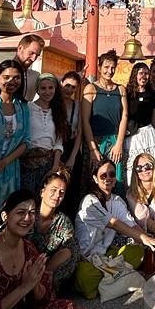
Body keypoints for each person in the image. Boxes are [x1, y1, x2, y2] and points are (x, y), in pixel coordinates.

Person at [73, 158, 155, 299]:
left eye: (111, 174)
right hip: (86, 259)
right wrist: (145, 238)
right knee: (85, 275)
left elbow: (132, 226)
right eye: (103, 175)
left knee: (137, 252)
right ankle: (116, 277)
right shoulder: (89, 201)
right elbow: (114, 223)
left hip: (106, 255)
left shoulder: (117, 201)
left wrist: (148, 239)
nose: (108, 178)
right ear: (95, 179)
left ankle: (110, 280)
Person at [0, 60, 30, 238]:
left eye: (16, 78)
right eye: (6, 77)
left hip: (10, 170)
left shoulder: (23, 107)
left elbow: (26, 141)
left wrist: (4, 163)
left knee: (6, 213)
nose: (11, 81)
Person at [81, 49, 128, 186]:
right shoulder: (91, 88)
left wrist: (119, 143)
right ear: (100, 67)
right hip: (95, 142)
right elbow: (85, 120)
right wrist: (93, 149)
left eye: (113, 67)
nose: (110, 71)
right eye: (106, 67)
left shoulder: (121, 90)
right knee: (94, 180)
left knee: (115, 179)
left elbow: (124, 116)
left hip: (115, 142)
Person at [31, 172, 80, 296]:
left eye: (61, 192)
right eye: (53, 190)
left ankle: (46, 285)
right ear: (42, 192)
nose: (57, 195)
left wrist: (46, 271)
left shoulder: (63, 221)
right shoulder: (28, 215)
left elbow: (71, 250)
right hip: (26, 265)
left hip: (48, 268)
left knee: (71, 248)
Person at [20, 73, 70, 194]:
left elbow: (58, 143)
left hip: (48, 162)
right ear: (37, 89)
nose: (47, 92)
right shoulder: (28, 108)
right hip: (26, 162)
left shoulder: (58, 112)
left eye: (50, 88)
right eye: (43, 88)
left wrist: (54, 167)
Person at [123, 61, 155, 178]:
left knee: (150, 168)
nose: (144, 76)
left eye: (146, 73)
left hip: (148, 134)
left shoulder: (152, 94)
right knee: (133, 169)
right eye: (141, 73)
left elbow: (154, 119)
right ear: (135, 75)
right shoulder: (127, 93)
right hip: (132, 135)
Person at [59, 70, 83, 214]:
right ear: (61, 83)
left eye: (73, 87)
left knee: (72, 188)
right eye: (67, 85)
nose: (69, 90)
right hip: (56, 149)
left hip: (72, 148)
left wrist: (73, 157)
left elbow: (79, 132)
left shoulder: (78, 105)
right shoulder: (54, 103)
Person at [15, 33, 45, 101]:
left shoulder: (35, 76)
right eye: (31, 53)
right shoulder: (3, 71)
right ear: (20, 48)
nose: (33, 59)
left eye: (37, 55)